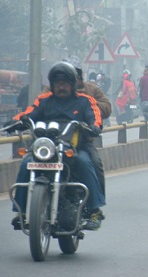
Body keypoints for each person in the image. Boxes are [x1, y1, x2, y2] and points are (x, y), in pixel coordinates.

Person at [10, 62, 105, 230]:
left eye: (65, 83)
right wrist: (17, 121)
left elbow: (95, 116)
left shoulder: (85, 101)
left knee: (86, 162)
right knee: (26, 164)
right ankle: (22, 212)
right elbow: (28, 113)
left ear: (73, 84)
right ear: (52, 85)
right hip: (46, 147)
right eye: (57, 83)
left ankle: (94, 210)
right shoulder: (44, 100)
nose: (61, 87)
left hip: (75, 147)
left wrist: (94, 126)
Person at [60, 56, 111, 197]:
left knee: (93, 163)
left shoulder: (89, 93)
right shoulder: (50, 93)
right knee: (28, 163)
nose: (63, 84)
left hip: (80, 142)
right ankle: (22, 210)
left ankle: (96, 203)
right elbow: (35, 110)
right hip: (53, 142)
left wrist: (88, 108)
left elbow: (106, 107)